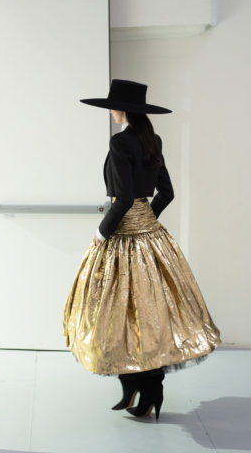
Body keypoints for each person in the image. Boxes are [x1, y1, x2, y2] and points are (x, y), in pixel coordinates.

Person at [64, 79, 221, 418]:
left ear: (123, 109)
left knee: (116, 312)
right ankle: (142, 388)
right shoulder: (152, 139)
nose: (111, 111)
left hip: (122, 235)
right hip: (152, 237)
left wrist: (101, 233)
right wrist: (146, 218)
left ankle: (139, 386)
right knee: (147, 315)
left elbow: (122, 199)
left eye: (113, 106)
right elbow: (167, 193)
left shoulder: (120, 142)